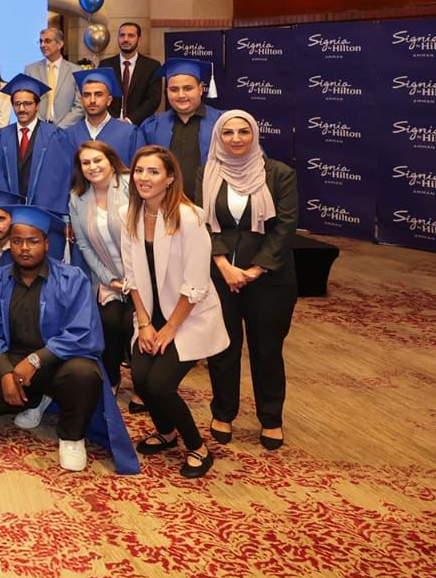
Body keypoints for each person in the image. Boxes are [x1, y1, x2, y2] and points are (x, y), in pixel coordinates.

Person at [0, 206, 137, 474]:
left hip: (58, 361)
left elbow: (83, 332)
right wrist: (5, 371)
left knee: (84, 374)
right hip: (13, 358)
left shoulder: (72, 280)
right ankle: (35, 399)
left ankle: (71, 436)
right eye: (17, 241)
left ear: (46, 243)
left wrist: (36, 360)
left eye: (33, 241)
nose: (24, 248)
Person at [122, 145, 228, 479]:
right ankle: (166, 432)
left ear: (169, 178)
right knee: (140, 378)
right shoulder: (131, 214)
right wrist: (143, 323)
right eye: (139, 171)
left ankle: (198, 447)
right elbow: (131, 276)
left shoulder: (189, 218)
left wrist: (169, 328)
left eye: (153, 172)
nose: (144, 178)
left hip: (187, 316)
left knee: (160, 385)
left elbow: (195, 284)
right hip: (150, 313)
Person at [203, 109, 299, 451]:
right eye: (228, 132)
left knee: (267, 349)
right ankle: (223, 412)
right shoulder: (206, 173)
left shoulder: (279, 174)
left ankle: (271, 418)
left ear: (254, 134)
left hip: (269, 278)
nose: (236, 138)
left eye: (243, 131)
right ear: (218, 137)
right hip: (221, 275)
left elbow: (285, 227)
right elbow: (203, 223)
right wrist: (223, 265)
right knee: (223, 348)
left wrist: (255, 270)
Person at [68, 140, 135, 400]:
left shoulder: (131, 185)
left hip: (142, 273)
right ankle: (113, 378)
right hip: (108, 277)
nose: (92, 166)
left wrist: (134, 278)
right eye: (86, 163)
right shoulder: (77, 198)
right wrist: (109, 279)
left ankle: (142, 384)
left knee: (132, 325)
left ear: (111, 161)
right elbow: (84, 245)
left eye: (98, 160)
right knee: (109, 323)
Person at [0, 74, 71, 237]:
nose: (22, 109)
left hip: (45, 218)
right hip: (10, 218)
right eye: (17, 104)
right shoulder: (0, 137)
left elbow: (61, 180)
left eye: (27, 103)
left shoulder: (55, 136)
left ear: (37, 105)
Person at [136, 58, 218, 205]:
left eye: (188, 88)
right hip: (163, 207)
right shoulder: (151, 126)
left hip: (210, 208)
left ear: (200, 89)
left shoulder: (221, 123)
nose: (181, 95)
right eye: (174, 90)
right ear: (166, 92)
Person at [61, 68, 139, 163]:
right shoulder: (69, 135)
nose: (92, 100)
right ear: (81, 101)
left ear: (109, 100)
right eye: (87, 95)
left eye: (98, 94)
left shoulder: (129, 134)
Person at [100, 21, 162, 124]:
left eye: (131, 36)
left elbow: (153, 100)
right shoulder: (105, 65)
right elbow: (101, 95)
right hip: (109, 123)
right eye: (122, 35)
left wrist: (129, 120)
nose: (125, 39)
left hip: (140, 125)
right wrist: (113, 121)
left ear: (139, 39)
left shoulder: (152, 66)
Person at [24, 27, 83, 129]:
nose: (42, 45)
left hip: (66, 130)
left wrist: (60, 128)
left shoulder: (76, 70)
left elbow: (80, 106)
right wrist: (39, 126)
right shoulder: (30, 70)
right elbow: (27, 101)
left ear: (60, 44)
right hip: (38, 129)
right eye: (41, 41)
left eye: (47, 41)